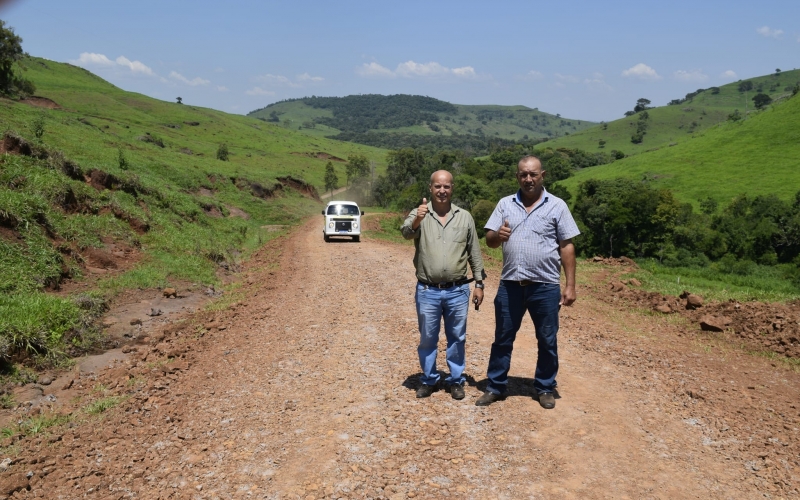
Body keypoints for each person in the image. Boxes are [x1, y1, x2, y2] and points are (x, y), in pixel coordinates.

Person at [476, 156, 580, 409]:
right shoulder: (504, 204)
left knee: (547, 339)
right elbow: (489, 240)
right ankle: (496, 386)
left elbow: (566, 246)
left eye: (533, 174)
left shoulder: (557, 206)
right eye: (523, 174)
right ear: (517, 177)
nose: (528, 179)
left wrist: (570, 285)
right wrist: (497, 236)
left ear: (542, 175)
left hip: (545, 286)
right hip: (510, 284)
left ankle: (545, 387)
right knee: (503, 337)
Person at [401, 170, 486, 400]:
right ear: (430, 188)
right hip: (428, 290)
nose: (442, 191)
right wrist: (418, 218)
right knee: (428, 338)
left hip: (458, 290)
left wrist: (479, 283)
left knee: (457, 337)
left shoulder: (465, 217)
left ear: (452, 188)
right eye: (437, 186)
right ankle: (428, 379)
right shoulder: (420, 213)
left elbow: (474, 252)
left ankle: (456, 380)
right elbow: (406, 233)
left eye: (446, 186)